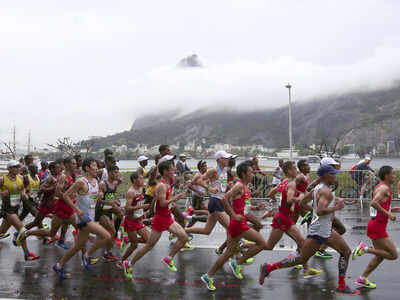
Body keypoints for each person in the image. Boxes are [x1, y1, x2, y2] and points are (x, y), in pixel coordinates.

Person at [259, 164, 360, 295]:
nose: (336, 176)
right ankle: (269, 268)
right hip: (319, 231)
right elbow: (321, 210)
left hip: (325, 229)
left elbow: (302, 203)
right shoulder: (326, 192)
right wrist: (336, 207)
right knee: (301, 259)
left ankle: (341, 285)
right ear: (326, 176)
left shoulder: (317, 188)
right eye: (333, 174)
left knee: (346, 252)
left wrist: (317, 210)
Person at [235, 161, 321, 278]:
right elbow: (290, 199)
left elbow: (271, 193)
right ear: (289, 171)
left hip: (283, 217)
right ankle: (240, 257)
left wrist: (277, 203)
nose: (297, 170)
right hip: (283, 218)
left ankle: (306, 269)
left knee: (274, 245)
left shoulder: (284, 182)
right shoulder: (291, 184)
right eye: (294, 168)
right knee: (295, 243)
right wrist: (300, 197)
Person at [201, 161, 268, 290]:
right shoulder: (239, 186)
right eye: (251, 172)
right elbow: (224, 198)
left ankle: (208, 276)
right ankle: (238, 262)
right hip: (238, 224)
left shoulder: (245, 186)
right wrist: (233, 215)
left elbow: (244, 207)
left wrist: (256, 207)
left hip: (236, 223)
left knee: (228, 253)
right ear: (243, 174)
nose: (253, 174)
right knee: (262, 244)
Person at [122, 160, 188, 280]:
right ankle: (129, 264)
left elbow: (162, 202)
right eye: (172, 169)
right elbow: (162, 203)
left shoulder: (169, 183)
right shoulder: (162, 186)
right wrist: (175, 198)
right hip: (160, 219)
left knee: (184, 238)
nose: (174, 171)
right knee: (149, 246)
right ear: (166, 172)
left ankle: (169, 258)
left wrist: (171, 203)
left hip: (167, 217)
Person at [53, 157, 112, 280]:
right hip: (83, 219)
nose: (97, 168)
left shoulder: (96, 181)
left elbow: (94, 199)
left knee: (78, 246)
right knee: (106, 236)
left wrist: (100, 196)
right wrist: (77, 210)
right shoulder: (81, 182)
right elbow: (65, 196)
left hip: (90, 217)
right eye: (94, 165)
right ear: (87, 168)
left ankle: (59, 265)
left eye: (97, 166)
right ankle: (87, 256)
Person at [352, 165, 400, 289]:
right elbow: (373, 203)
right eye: (393, 174)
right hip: (377, 226)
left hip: (376, 225)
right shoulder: (384, 188)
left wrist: (393, 209)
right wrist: (388, 214)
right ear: (386, 175)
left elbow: (381, 205)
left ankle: (362, 279)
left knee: (380, 256)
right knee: (393, 255)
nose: (394, 176)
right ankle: (364, 249)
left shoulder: (381, 187)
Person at [185, 151, 231, 246]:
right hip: (215, 201)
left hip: (219, 201)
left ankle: (182, 231)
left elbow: (221, 185)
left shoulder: (224, 171)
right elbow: (200, 180)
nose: (227, 160)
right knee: (231, 228)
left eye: (227, 158)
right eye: (225, 158)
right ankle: (235, 253)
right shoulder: (214, 170)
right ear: (219, 159)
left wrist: (228, 185)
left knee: (207, 230)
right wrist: (210, 188)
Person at [0, 160, 39, 260]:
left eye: (18, 167)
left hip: (16, 208)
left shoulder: (20, 178)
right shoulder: (2, 179)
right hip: (7, 209)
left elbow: (22, 189)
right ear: (9, 169)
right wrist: (2, 194)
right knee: (22, 229)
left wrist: (24, 194)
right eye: (15, 167)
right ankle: (27, 254)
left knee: (2, 230)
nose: (17, 168)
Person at [118, 172, 150, 270]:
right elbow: (127, 208)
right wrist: (142, 207)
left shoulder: (141, 189)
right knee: (134, 245)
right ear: (135, 180)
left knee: (148, 240)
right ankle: (121, 262)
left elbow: (139, 203)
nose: (142, 180)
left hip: (139, 220)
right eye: (140, 178)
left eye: (142, 178)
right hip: (131, 221)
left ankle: (128, 239)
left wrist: (142, 213)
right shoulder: (131, 192)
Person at [95, 164, 122, 261]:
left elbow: (112, 196)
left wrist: (116, 200)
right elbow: (98, 200)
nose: (117, 174)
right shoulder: (103, 184)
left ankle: (106, 243)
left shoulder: (114, 183)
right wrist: (109, 202)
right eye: (115, 172)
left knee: (120, 214)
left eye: (118, 172)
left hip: (109, 209)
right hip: (101, 210)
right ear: (109, 173)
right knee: (112, 231)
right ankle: (106, 253)